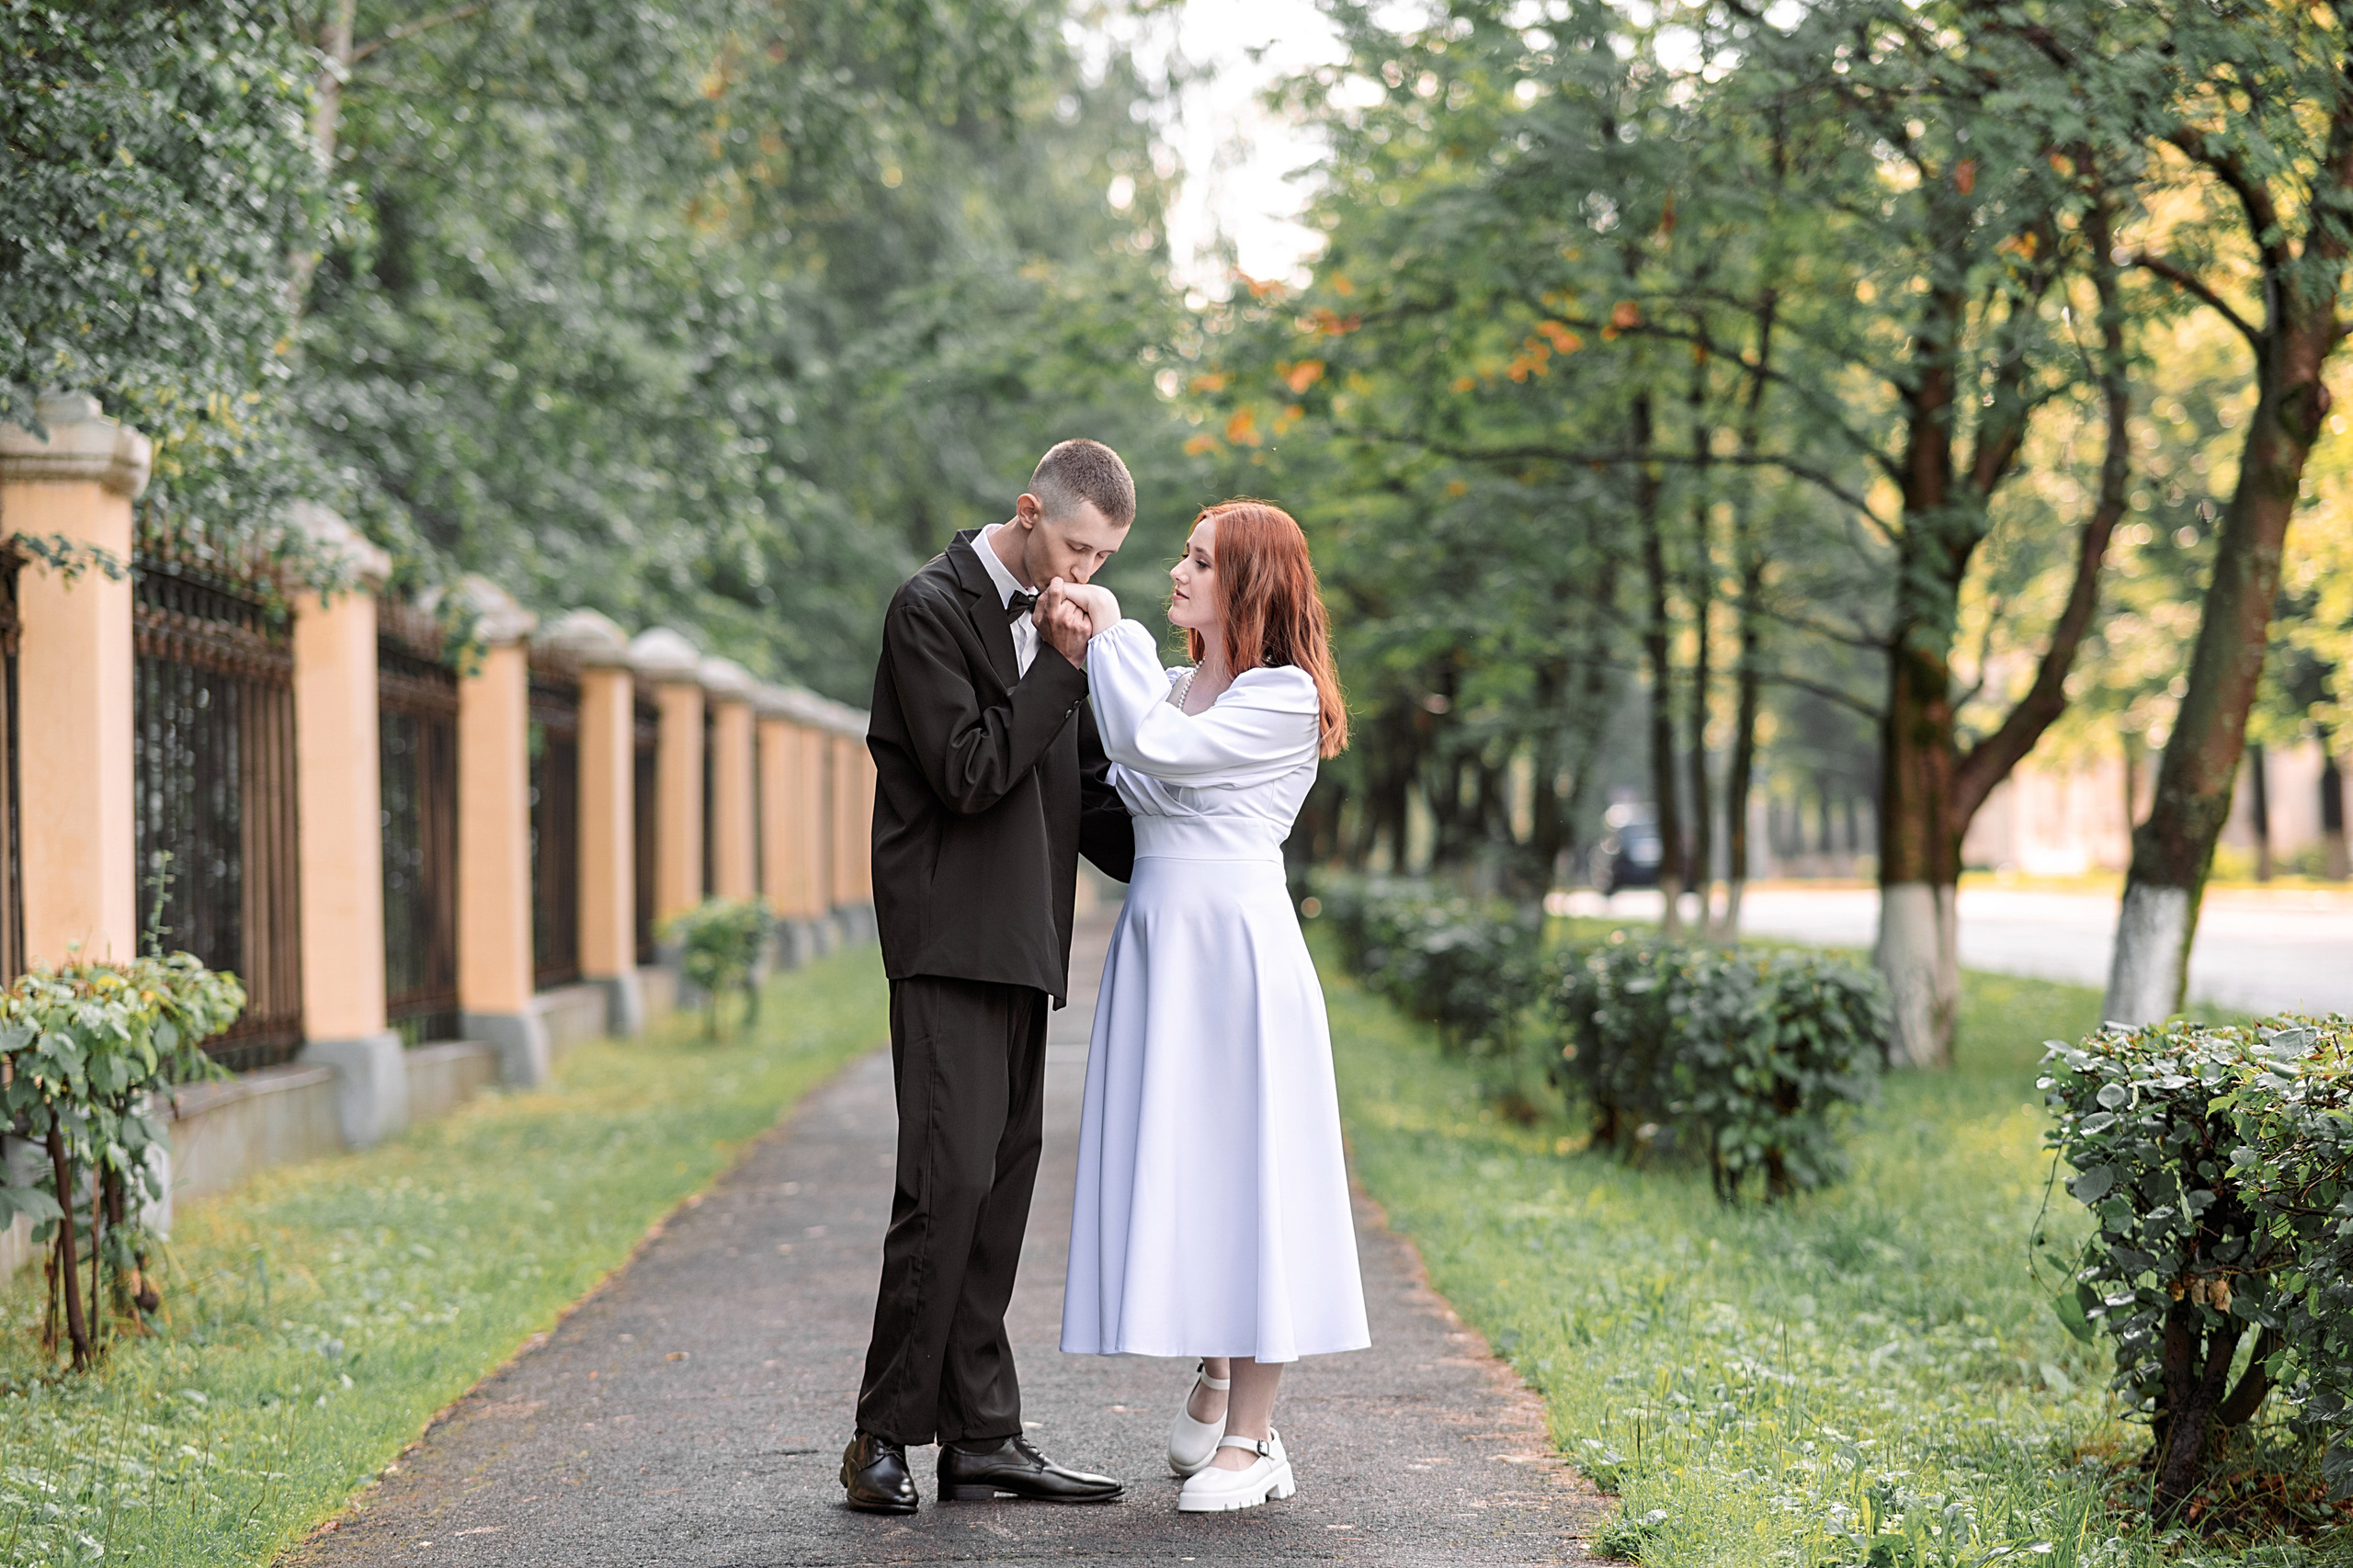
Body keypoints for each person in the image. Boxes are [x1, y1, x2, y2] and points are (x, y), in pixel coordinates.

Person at [1044, 499, 1368, 1514]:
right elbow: (1119, 758)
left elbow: (1153, 746)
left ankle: (1255, 1436)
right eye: (1182, 557)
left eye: (1198, 562)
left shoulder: (1280, 694)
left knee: (1252, 1172)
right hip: (1157, 946)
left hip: (1235, 952)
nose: (1174, 575)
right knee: (1189, 1166)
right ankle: (1219, 1369)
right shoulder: (1180, 681)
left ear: (1250, 585)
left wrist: (1108, 626)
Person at [840, 439, 1138, 1515]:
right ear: (1028, 512)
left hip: (1024, 943)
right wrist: (1061, 667)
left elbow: (1095, 791)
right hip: (943, 937)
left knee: (1002, 1185)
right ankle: (881, 1431)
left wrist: (1208, 839)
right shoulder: (928, 607)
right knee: (947, 1179)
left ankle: (982, 1435)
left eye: (1105, 558)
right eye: (1075, 546)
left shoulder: (1064, 630)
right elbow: (970, 771)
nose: (1086, 576)